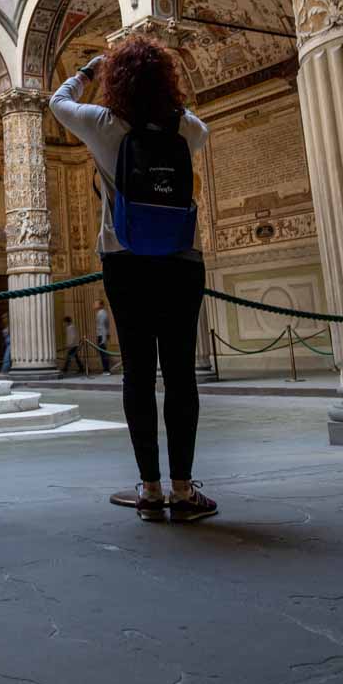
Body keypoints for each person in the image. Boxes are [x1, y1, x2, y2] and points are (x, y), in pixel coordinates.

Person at [51, 37, 216, 523]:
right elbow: (202, 129)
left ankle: (149, 489)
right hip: (182, 259)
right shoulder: (185, 127)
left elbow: (58, 102)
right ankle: (184, 491)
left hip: (124, 258)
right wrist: (173, 104)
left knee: (139, 374)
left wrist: (88, 69)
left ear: (116, 81)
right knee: (181, 373)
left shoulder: (103, 125)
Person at [93, 298, 113, 374]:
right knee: (103, 353)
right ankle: (106, 369)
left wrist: (103, 339)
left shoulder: (101, 313)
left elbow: (103, 327)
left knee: (103, 353)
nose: (94, 305)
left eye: (96, 303)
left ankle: (106, 370)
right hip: (102, 335)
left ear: (100, 305)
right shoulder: (102, 313)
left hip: (102, 336)